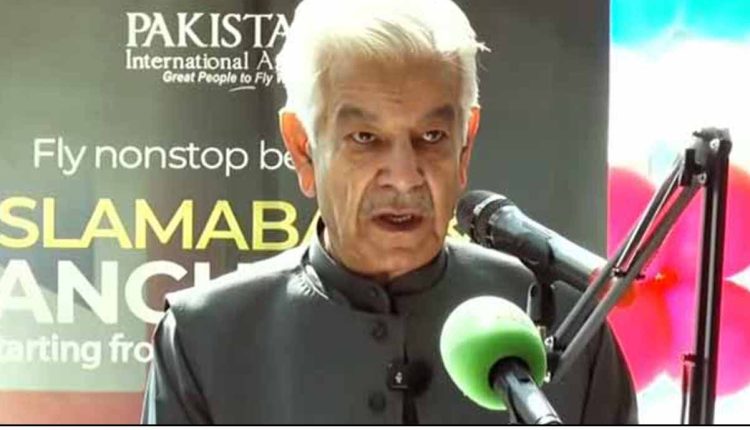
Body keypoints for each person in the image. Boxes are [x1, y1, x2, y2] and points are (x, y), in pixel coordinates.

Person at [141, 0, 637, 424]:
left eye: (432, 137)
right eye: (365, 138)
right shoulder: (203, 339)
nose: (403, 176)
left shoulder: (569, 330)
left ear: (465, 144)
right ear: (302, 147)